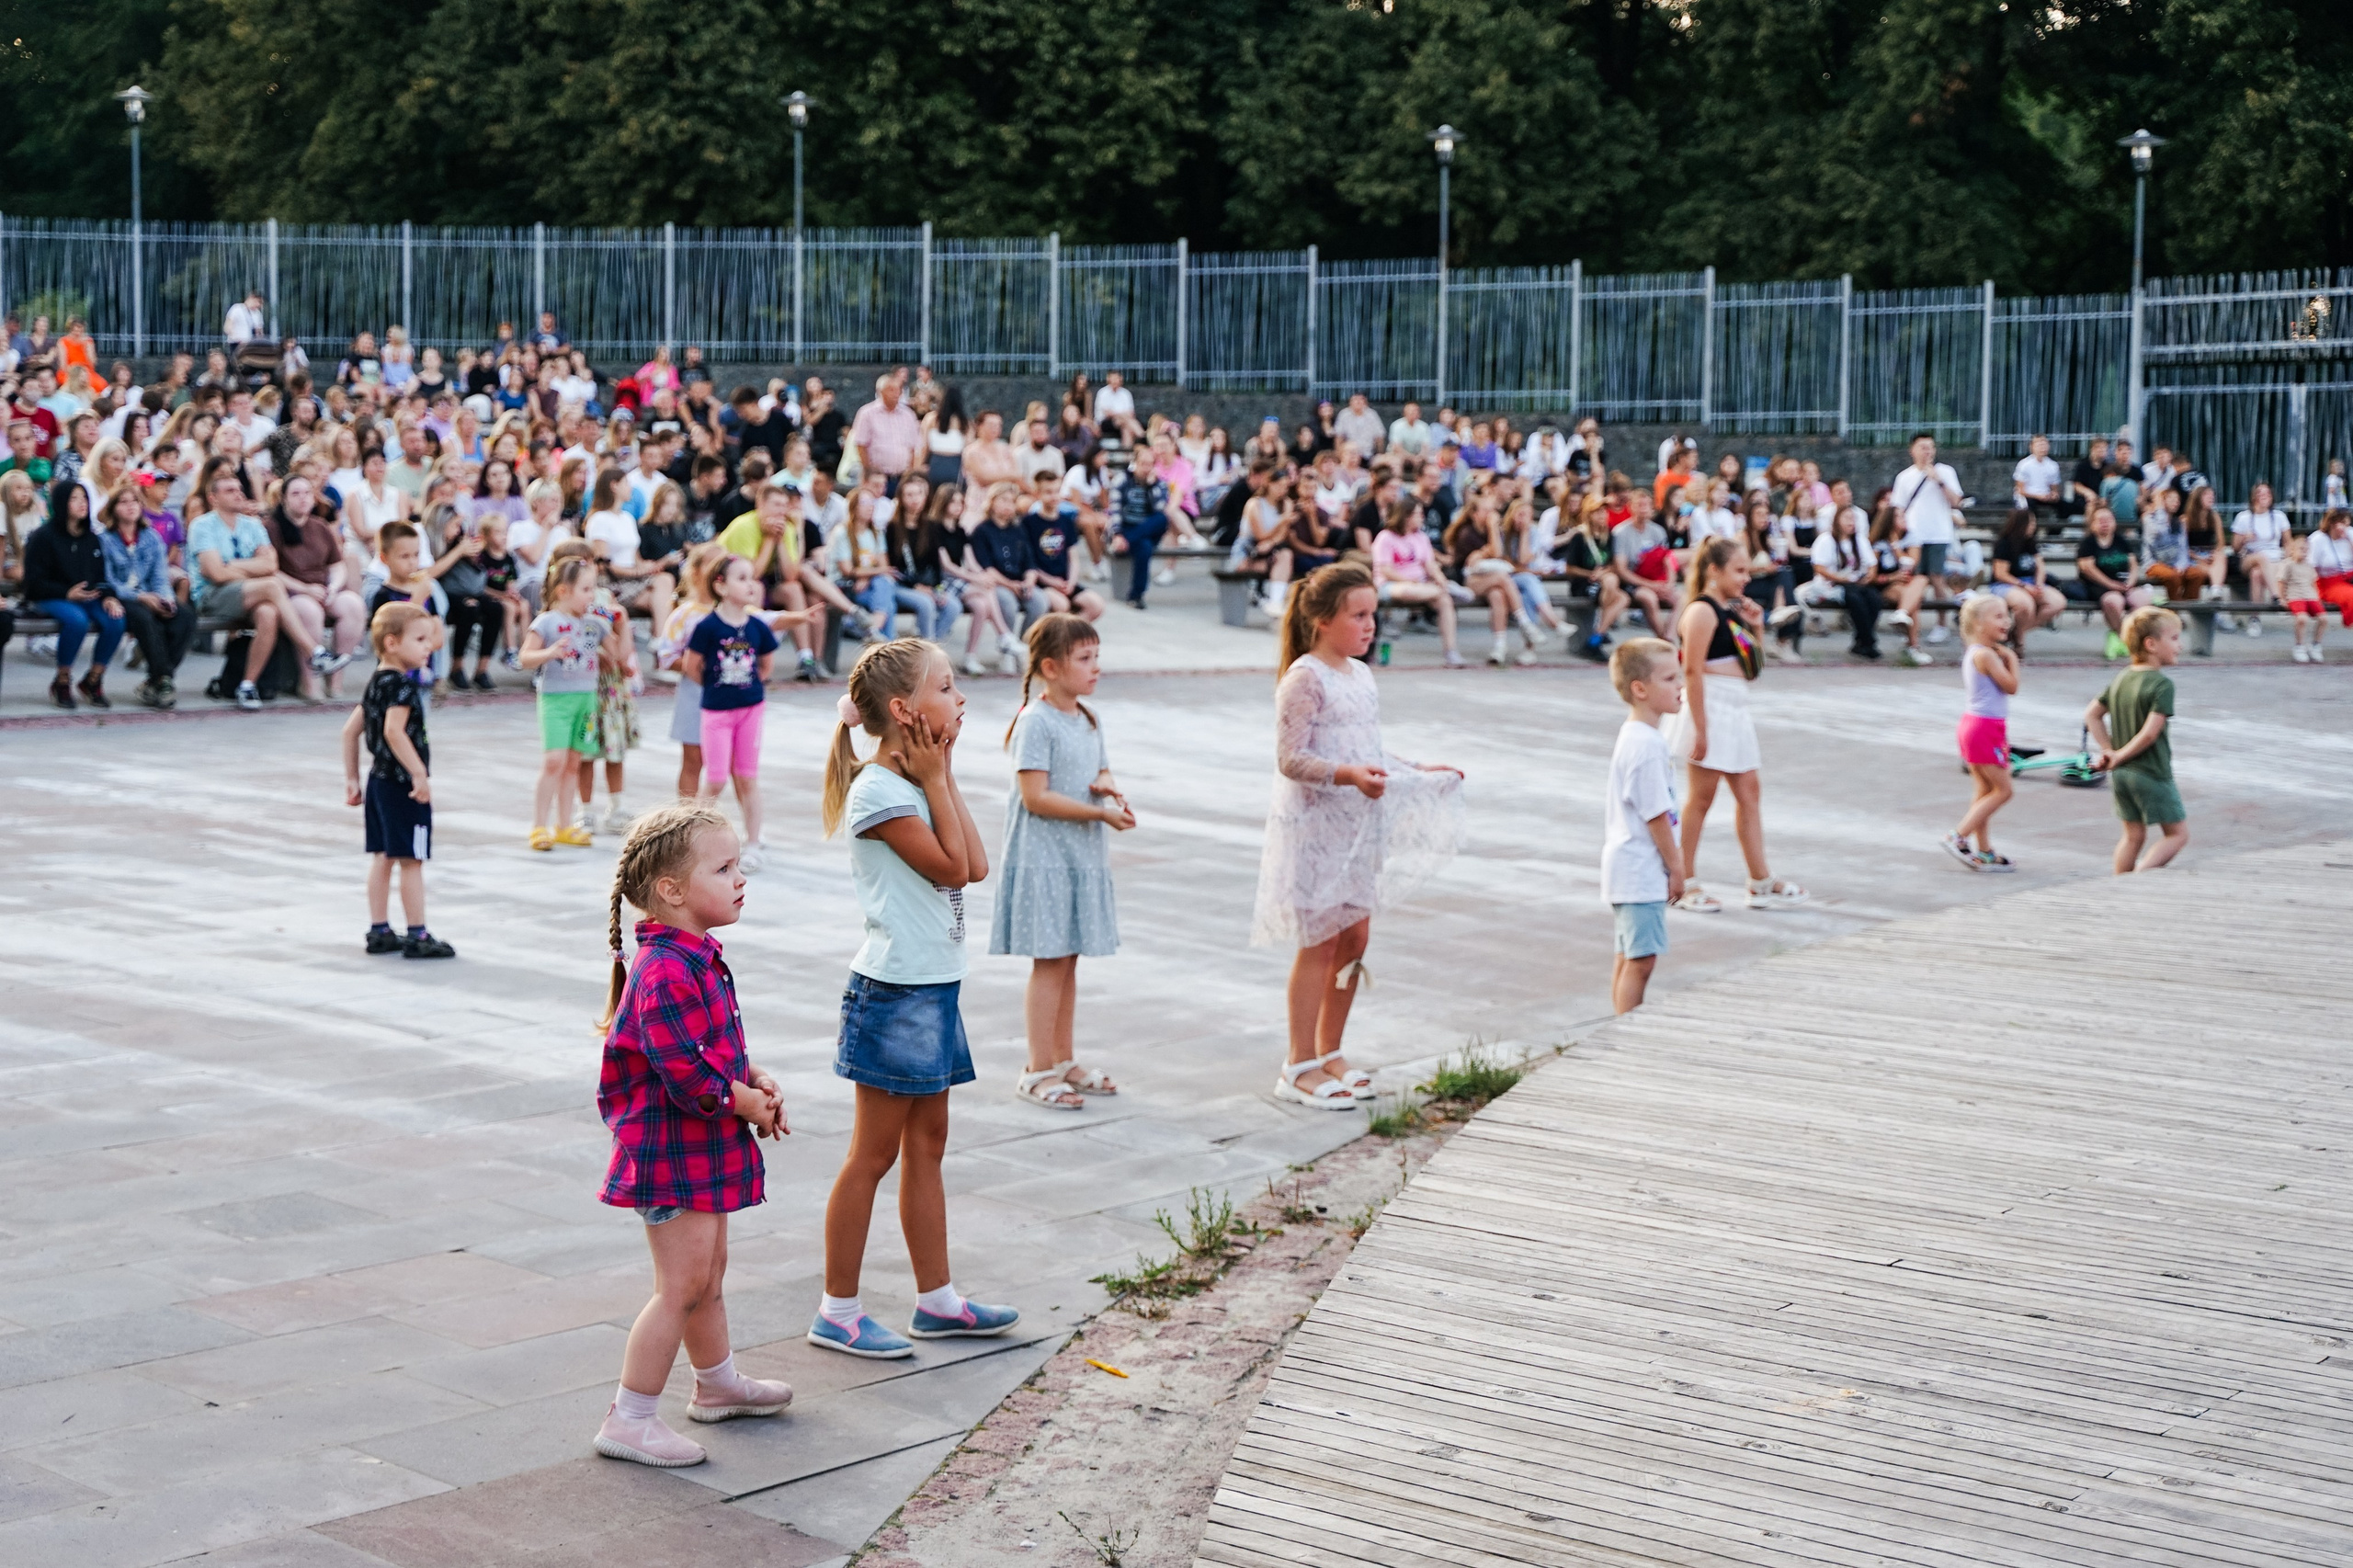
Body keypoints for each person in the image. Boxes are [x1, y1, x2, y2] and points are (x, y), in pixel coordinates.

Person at [813, 639, 1017, 1358]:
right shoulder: (878, 792)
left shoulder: (921, 781)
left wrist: (945, 773)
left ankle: (938, 1302)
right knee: (872, 1154)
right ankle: (837, 1310)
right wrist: (935, 780)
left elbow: (979, 864)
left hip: (933, 990)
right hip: (893, 992)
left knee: (928, 1145)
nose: (960, 698)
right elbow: (953, 870)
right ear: (904, 710)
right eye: (947, 686)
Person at [591, 802, 792, 1468]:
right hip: (668, 1152)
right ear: (671, 891)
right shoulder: (667, 970)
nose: (741, 879)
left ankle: (716, 1383)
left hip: (694, 1146)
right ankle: (631, 1417)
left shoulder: (692, 957)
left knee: (708, 1275)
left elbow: (706, 1051)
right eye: (725, 868)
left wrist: (750, 1076)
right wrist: (747, 1104)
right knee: (679, 1286)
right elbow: (685, 1075)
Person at [1253, 562, 1462, 1108]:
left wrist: (1418, 770)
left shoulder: (1361, 674)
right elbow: (1291, 758)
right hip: (1317, 827)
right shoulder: (1304, 678)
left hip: (1357, 826)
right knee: (1319, 941)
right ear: (1322, 621)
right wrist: (1346, 777)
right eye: (1359, 615)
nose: (1370, 626)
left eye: (1374, 614)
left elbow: (1367, 750)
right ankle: (1297, 1062)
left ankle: (1330, 1049)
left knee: (1355, 937)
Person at [992, 615, 1133, 1110]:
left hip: (1079, 856)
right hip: (1045, 858)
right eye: (1085, 659)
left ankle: (1063, 1058)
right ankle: (1037, 1068)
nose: (1096, 669)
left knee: (1068, 958)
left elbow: (1099, 765)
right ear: (1050, 667)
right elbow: (1035, 796)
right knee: (1050, 961)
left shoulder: (1088, 718)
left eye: (1097, 657)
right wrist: (1099, 812)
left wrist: (1108, 785)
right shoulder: (1036, 720)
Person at [1662, 537, 1808, 914]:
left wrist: (1756, 627)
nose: (1746, 578)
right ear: (1715, 570)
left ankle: (1759, 880)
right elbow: (1691, 670)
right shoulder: (1701, 612)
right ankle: (1683, 879)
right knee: (1702, 798)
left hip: (1734, 706)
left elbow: (1753, 670)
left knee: (1749, 793)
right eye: (1738, 570)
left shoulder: (1730, 611)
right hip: (1711, 706)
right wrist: (1701, 729)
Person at [341, 604, 455, 960]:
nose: (428, 647)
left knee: (382, 856)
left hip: (378, 782)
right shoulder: (403, 687)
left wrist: (352, 779)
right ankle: (417, 933)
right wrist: (418, 773)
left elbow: (349, 732)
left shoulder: (376, 682)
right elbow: (393, 731)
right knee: (411, 859)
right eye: (419, 640)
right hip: (403, 786)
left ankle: (379, 929)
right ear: (391, 643)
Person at [682, 554, 780, 872]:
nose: (750, 584)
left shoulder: (757, 627)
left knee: (747, 777)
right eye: (741, 578)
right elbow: (692, 667)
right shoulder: (707, 627)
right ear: (720, 586)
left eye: (751, 577)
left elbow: (766, 665)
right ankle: (694, 838)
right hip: (717, 712)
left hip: (750, 709)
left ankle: (753, 842)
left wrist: (747, 687)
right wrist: (717, 687)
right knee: (714, 777)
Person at [1602, 639, 1686, 1014]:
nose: (1680, 684)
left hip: (1628, 867)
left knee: (1628, 954)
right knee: (1642, 960)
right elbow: (1656, 814)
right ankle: (1626, 1032)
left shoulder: (1637, 736)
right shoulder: (1647, 745)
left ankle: (1618, 1027)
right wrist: (1677, 865)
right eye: (1669, 678)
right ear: (1640, 689)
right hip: (1641, 868)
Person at [2086, 607, 2188, 875]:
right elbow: (2151, 733)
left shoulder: (2122, 678)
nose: (2180, 645)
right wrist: (2118, 755)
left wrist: (2110, 751)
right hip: (2152, 772)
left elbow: (2092, 715)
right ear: (2151, 644)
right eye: (2175, 638)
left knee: (2133, 836)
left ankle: (2118, 883)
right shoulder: (2162, 685)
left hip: (2121, 775)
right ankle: (2142, 875)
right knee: (2177, 835)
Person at [521, 558, 612, 850]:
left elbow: (619, 655)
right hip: (556, 699)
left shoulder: (593, 624)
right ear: (563, 591)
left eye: (593, 588)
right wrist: (549, 653)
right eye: (586, 589)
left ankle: (563, 824)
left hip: (586, 698)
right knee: (553, 762)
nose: (592, 595)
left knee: (573, 764)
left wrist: (613, 622)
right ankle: (539, 826)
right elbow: (525, 658)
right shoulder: (546, 621)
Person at [97, 485, 198, 708]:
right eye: (123, 502)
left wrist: (166, 598)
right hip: (122, 597)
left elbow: (160, 575)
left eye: (135, 501)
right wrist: (141, 597)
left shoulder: (151, 537)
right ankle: (162, 680)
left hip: (151, 593)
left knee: (185, 617)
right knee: (144, 618)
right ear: (113, 509)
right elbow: (109, 580)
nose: (131, 506)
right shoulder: (104, 540)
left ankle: (157, 679)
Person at [24, 480, 121, 710]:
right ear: (61, 502)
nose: (82, 504)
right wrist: (66, 593)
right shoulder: (43, 537)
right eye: (74, 498)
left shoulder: (91, 538)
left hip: (87, 596)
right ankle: (62, 680)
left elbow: (101, 576)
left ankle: (93, 680)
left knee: (116, 620)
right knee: (77, 621)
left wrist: (109, 596)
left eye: (85, 498)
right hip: (52, 596)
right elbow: (33, 583)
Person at [1942, 596, 2021, 872]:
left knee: (1985, 791)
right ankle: (1959, 835)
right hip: (1984, 729)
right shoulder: (1986, 655)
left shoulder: (1977, 651)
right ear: (1977, 623)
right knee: (2004, 790)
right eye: (1998, 616)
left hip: (1977, 726)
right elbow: (2011, 686)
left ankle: (1985, 850)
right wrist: (2012, 658)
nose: (2006, 622)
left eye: (2006, 615)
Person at [1371, 498, 1465, 666]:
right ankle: (1449, 590)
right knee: (1406, 591)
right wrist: (1409, 580)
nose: (1422, 517)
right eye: (1418, 514)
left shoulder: (1421, 537)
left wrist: (1441, 581)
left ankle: (1451, 652)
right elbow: (1385, 569)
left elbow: (1430, 565)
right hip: (1391, 583)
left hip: (1422, 586)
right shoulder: (1385, 537)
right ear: (1406, 516)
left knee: (1444, 601)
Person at [1890, 434, 1963, 643]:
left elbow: (1956, 501)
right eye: (1922, 447)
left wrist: (1939, 481)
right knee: (1914, 581)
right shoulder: (1904, 477)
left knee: (1938, 578)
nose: (1927, 452)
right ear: (1912, 450)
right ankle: (1912, 624)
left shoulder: (1946, 472)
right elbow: (1898, 508)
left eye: (1930, 447)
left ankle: (1941, 624)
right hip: (1914, 536)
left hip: (1939, 533)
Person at [1799, 486, 1881, 660]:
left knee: (1874, 598)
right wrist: (1840, 578)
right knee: (1855, 599)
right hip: (1833, 583)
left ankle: (1862, 640)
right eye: (1847, 518)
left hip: (1855, 581)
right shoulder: (1826, 540)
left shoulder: (1860, 540)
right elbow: (1819, 567)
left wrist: (1869, 577)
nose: (1851, 522)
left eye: (1853, 519)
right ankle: (1869, 641)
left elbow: (1871, 563)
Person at [2069, 505, 2153, 660]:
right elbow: (2088, 569)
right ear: (2092, 523)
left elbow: (2133, 564)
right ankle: (2123, 636)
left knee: (2143, 600)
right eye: (2100, 520)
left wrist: (2131, 581)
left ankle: (2124, 635)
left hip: (2124, 583)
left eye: (2108, 519)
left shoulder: (2121, 540)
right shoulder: (2088, 543)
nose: (2105, 523)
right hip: (2098, 586)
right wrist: (2110, 584)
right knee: (2114, 602)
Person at [1987, 507, 2066, 649]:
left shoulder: (2030, 542)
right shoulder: (2004, 544)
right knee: (2025, 605)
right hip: (2006, 584)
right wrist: (2023, 586)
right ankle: (2020, 641)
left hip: (2030, 581)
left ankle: (2016, 632)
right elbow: (2001, 573)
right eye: (2031, 523)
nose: (2033, 526)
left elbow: (2040, 565)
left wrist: (2039, 584)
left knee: (2057, 603)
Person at [2231, 481, 2290, 628]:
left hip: (2275, 559)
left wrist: (2288, 560)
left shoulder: (2279, 516)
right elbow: (2235, 548)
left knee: (2257, 574)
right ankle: (2277, 596)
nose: (2264, 496)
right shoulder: (2244, 517)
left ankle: (2254, 619)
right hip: (2249, 557)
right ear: (2254, 497)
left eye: (2267, 493)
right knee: (2261, 558)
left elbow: (2288, 543)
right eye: (2260, 493)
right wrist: (2244, 539)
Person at [850, 372, 924, 492]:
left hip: (902, 476)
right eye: (891, 390)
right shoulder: (867, 413)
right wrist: (869, 471)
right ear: (880, 392)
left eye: (898, 390)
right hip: (878, 477)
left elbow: (914, 446)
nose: (896, 393)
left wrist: (911, 474)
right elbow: (860, 444)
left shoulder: (908, 415)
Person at [2280, 530, 2325, 663]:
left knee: (2323, 619)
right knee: (2302, 619)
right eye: (2301, 549)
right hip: (2295, 595)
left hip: (2310, 596)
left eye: (2306, 550)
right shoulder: (2288, 565)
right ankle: (2299, 646)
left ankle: (2316, 645)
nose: (2304, 552)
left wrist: (2317, 596)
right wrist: (2282, 598)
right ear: (2293, 549)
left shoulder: (2309, 566)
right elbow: (2281, 581)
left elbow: (2313, 582)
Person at [2013, 435, 2063, 519]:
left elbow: (2054, 488)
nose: (2043, 447)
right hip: (2028, 497)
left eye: (2045, 444)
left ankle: (2054, 532)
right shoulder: (2024, 464)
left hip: (2045, 496)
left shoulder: (2053, 465)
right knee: (2029, 509)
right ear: (2032, 447)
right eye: (2039, 445)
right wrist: (2038, 496)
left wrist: (2054, 495)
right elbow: (2021, 490)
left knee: (2065, 507)